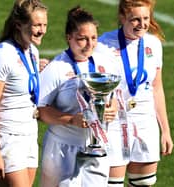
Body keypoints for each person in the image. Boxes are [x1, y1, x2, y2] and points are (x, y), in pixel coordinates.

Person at [37, 5, 118, 187]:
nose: (89, 44)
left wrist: (112, 109)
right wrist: (71, 119)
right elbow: (41, 111)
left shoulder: (104, 64)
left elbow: (113, 97)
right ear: (69, 38)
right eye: (82, 39)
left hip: (97, 148)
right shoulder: (56, 68)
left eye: (93, 38)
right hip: (62, 149)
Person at [96, 0, 174, 186]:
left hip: (145, 120)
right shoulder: (103, 44)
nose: (142, 24)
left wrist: (165, 131)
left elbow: (156, 87)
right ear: (122, 18)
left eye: (146, 18)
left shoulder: (153, 44)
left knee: (144, 184)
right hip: (113, 122)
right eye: (135, 19)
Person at [0, 0, 47, 186]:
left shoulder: (32, 51)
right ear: (19, 25)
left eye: (44, 25)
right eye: (36, 25)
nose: (42, 30)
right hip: (8, 139)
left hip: (29, 135)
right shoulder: (2, 55)